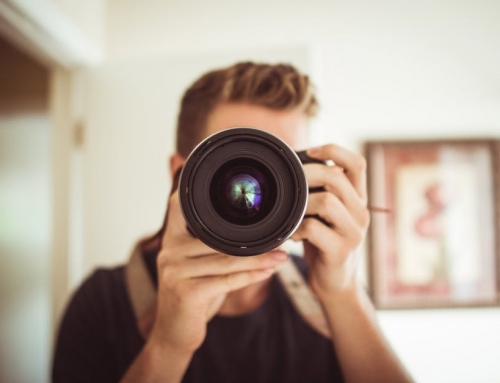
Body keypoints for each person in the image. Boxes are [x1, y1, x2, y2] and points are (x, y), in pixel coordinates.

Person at [52, 62, 413, 383]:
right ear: (181, 174)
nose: (263, 191)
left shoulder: (329, 292)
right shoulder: (103, 303)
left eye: (284, 164)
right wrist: (168, 345)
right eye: (238, 158)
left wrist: (342, 292)